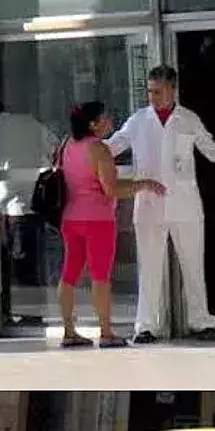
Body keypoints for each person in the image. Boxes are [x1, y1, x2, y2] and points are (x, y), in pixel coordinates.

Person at [105, 65, 215, 343]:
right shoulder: (138, 121)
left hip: (185, 204)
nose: (153, 97)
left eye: (158, 91)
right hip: (148, 206)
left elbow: (213, 151)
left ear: (172, 90)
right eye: (150, 91)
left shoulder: (188, 119)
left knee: (193, 265)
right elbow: (110, 147)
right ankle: (145, 327)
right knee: (149, 267)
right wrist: (82, 148)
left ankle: (201, 322)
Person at [56, 102, 166, 349]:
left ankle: (68, 331)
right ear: (93, 124)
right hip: (98, 220)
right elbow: (111, 189)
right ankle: (105, 332)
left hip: (71, 218)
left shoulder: (68, 145)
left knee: (69, 273)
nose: (110, 122)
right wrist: (144, 184)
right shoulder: (99, 150)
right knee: (100, 276)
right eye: (105, 118)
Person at [0, 99, 58, 326]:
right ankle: (31, 311)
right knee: (29, 262)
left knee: (12, 262)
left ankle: (16, 312)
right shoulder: (33, 124)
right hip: (31, 202)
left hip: (7, 205)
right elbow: (55, 150)